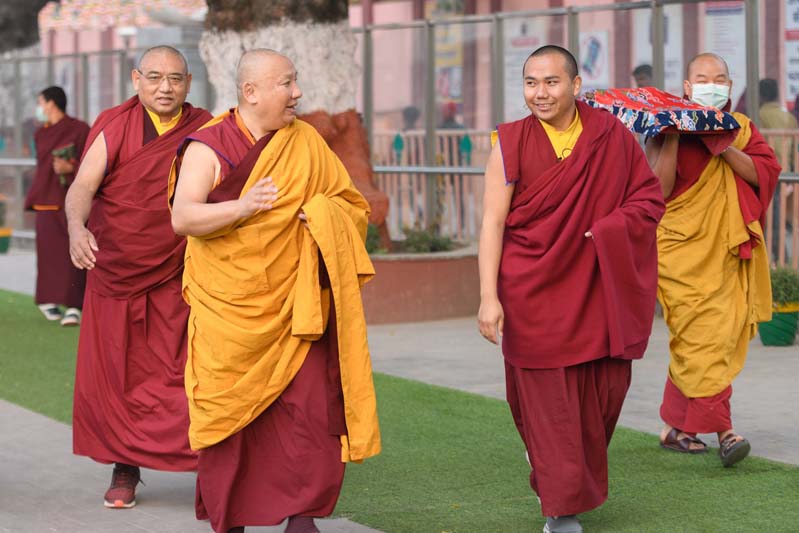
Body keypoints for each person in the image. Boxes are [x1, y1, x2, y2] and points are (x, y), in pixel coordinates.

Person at [169, 49, 381, 533]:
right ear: (251, 92)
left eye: (296, 81)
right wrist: (242, 209)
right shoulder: (208, 146)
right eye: (286, 83)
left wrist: (326, 217)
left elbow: (352, 204)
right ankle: (234, 517)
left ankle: (302, 517)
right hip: (229, 309)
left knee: (306, 414)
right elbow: (184, 217)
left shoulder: (304, 140)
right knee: (232, 422)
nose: (297, 93)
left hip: (297, 306)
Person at [477, 45, 664, 533]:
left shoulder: (610, 136)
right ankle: (560, 510)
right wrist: (487, 296)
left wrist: (610, 229)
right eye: (531, 83)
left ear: (577, 86)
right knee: (547, 402)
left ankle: (555, 467)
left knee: (603, 392)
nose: (540, 93)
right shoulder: (510, 141)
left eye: (551, 82)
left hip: (596, 286)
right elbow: (493, 223)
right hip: (531, 289)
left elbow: (647, 200)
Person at [65, 45, 212, 509]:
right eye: (154, 77)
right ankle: (124, 466)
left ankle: (209, 468)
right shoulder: (115, 123)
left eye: (174, 79)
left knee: (186, 371)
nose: (164, 87)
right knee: (118, 374)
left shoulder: (206, 128)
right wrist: (74, 226)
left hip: (181, 269)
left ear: (189, 83)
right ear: (135, 79)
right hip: (117, 269)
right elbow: (83, 186)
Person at [645, 53, 781, 467]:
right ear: (687, 87)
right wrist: (673, 135)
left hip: (723, 253)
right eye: (702, 78)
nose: (712, 84)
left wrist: (721, 146)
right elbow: (659, 189)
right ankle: (726, 432)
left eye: (720, 77)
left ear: (729, 84)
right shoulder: (664, 128)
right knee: (699, 340)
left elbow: (764, 173)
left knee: (711, 342)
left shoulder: (739, 129)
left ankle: (676, 427)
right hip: (679, 253)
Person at [24, 86, 90, 326]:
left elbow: (90, 162)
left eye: (41, 102)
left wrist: (70, 168)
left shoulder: (80, 129)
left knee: (75, 252)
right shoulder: (40, 133)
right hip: (46, 200)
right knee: (48, 255)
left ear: (51, 103)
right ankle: (49, 300)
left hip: (74, 201)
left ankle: (75, 306)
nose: (39, 107)